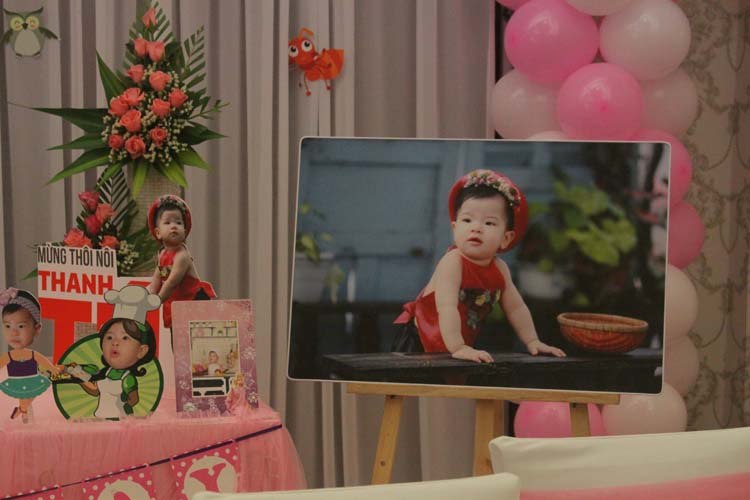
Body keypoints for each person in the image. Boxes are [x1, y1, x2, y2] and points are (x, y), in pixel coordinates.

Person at [394, 169, 565, 363]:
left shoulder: (500, 269)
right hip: (421, 341)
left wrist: (532, 340)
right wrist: (458, 347)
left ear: (506, 238)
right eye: (467, 220)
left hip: (459, 344)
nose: (476, 228)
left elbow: (516, 308)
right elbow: (447, 307)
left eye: (489, 223)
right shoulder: (452, 262)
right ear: (455, 228)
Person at [146, 195, 216, 329]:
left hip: (194, 302)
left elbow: (172, 282)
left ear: (185, 231)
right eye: (167, 223)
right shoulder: (162, 255)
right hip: (177, 303)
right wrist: (148, 295)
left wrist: (157, 300)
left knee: (194, 336)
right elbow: (158, 278)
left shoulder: (182, 256)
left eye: (178, 223)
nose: (173, 226)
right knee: (176, 335)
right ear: (158, 232)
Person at [70, 317, 157, 419]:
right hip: (100, 417)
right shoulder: (106, 372)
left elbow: (134, 400)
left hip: (120, 419)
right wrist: (80, 377)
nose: (115, 342)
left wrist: (125, 402)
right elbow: (95, 390)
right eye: (109, 337)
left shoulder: (127, 378)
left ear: (141, 351)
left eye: (125, 338)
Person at [0, 288, 60, 422]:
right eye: (8, 326)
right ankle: (23, 410)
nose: (14, 333)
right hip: (16, 381)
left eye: (21, 326)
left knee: (28, 396)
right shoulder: (9, 356)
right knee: (24, 397)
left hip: (32, 380)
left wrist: (52, 369)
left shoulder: (31, 354)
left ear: (37, 329)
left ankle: (23, 410)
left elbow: (43, 361)